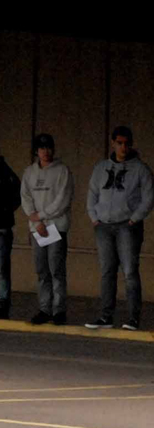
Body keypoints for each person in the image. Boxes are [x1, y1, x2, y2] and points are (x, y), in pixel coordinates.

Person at [83, 126, 154, 331]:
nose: (123, 147)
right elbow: (92, 193)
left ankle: (133, 318)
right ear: (113, 143)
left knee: (130, 271)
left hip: (127, 226)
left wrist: (134, 219)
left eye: (126, 143)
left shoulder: (140, 169)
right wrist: (94, 217)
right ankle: (106, 316)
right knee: (107, 271)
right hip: (103, 226)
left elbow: (149, 198)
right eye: (120, 143)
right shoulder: (100, 168)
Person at [20, 133, 74, 326]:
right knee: (42, 270)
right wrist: (36, 222)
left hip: (56, 227)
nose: (45, 151)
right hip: (38, 229)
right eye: (42, 148)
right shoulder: (29, 173)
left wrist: (41, 216)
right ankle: (44, 309)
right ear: (36, 151)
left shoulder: (62, 171)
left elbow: (62, 201)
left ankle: (59, 310)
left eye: (48, 147)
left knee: (56, 270)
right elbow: (25, 198)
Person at [0, 153, 21, 320]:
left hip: (2, 226)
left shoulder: (4, 171)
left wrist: (6, 210)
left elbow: (18, 191)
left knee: (2, 268)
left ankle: (3, 303)